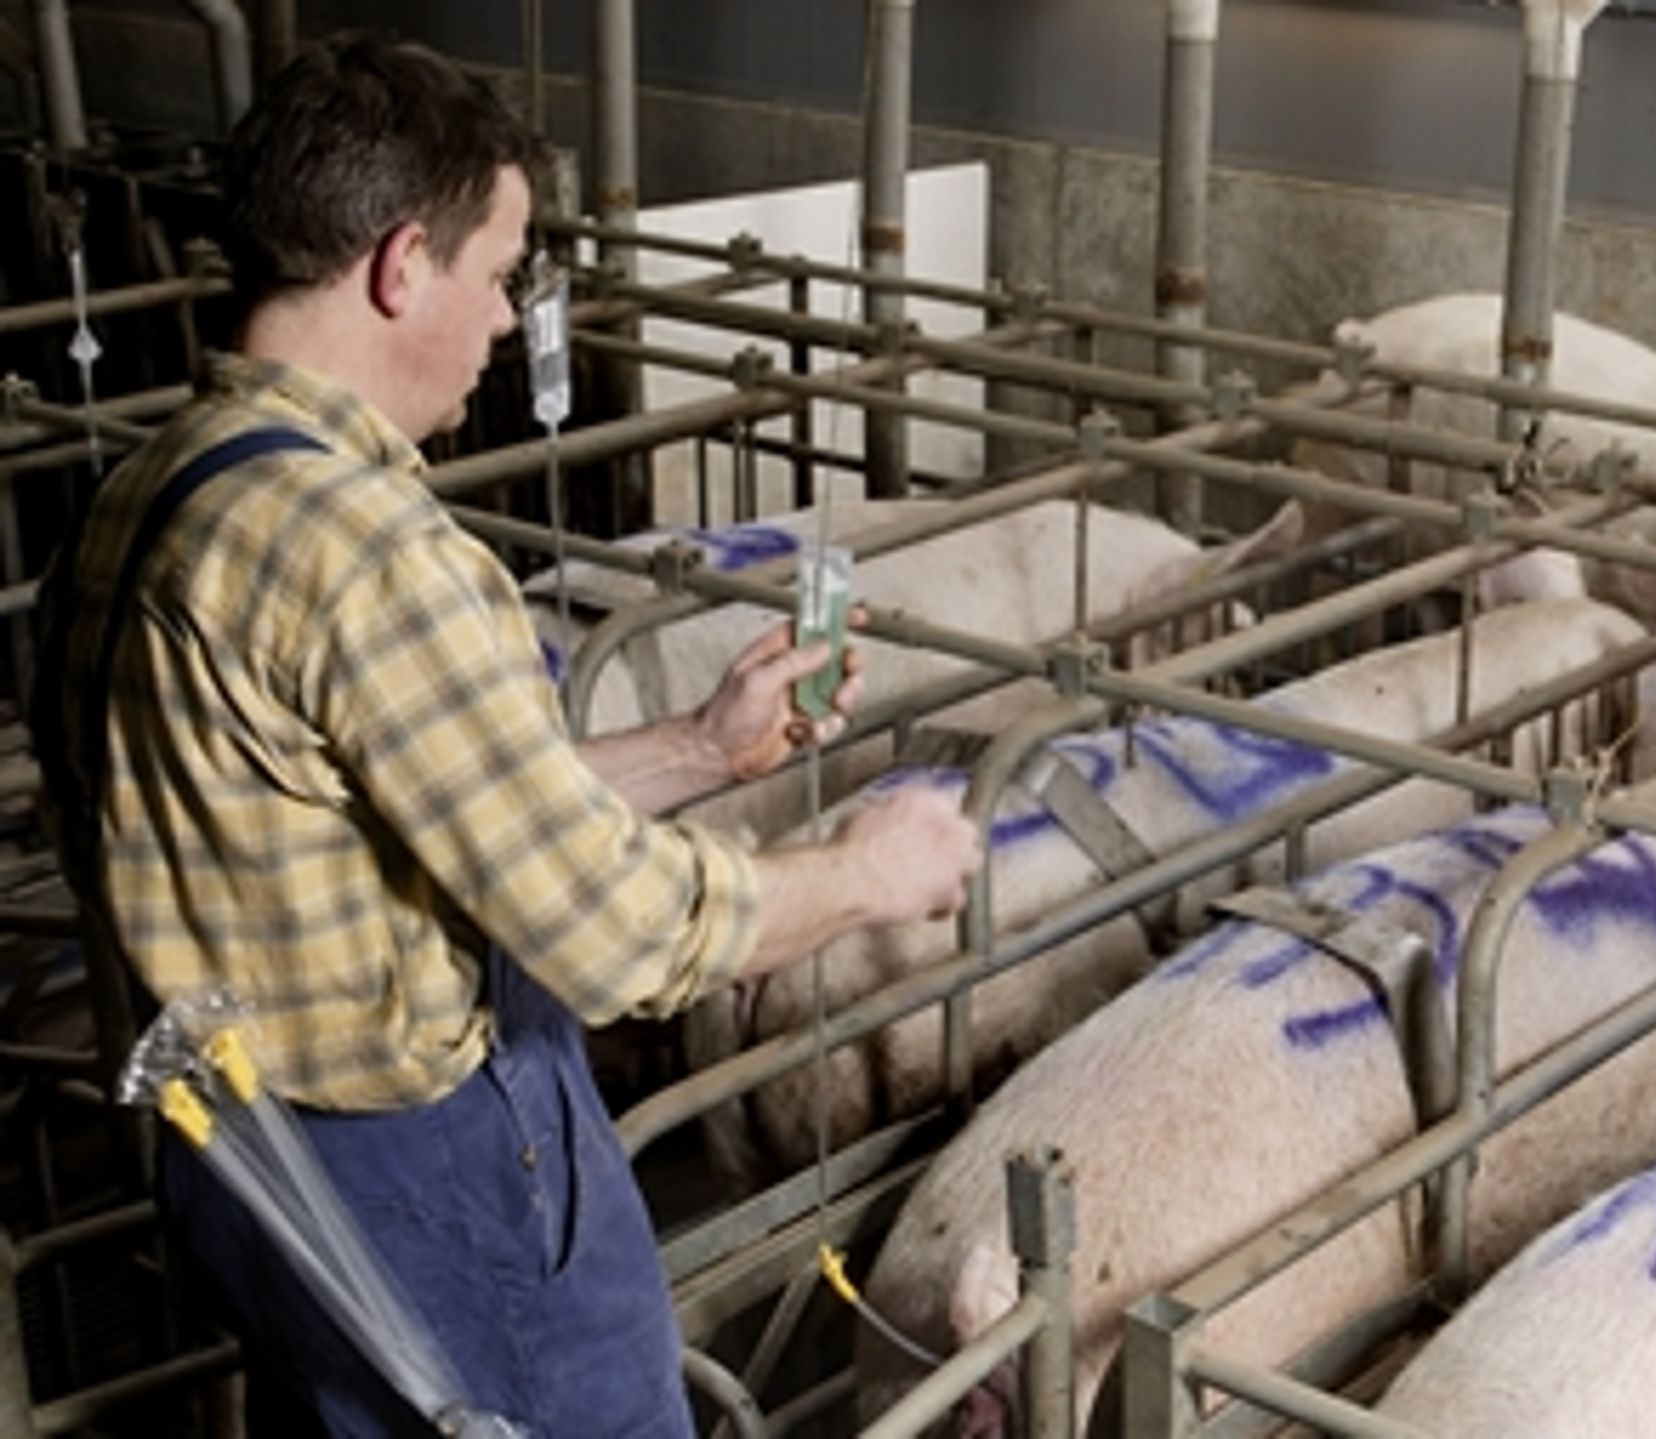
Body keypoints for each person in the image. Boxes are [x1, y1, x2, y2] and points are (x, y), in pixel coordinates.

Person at [30, 33, 982, 1438]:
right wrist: (866, 871)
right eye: (500, 273)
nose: (505, 320)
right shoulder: (366, 550)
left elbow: (389, 812)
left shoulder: (144, 499)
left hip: (245, 1163)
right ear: (401, 263)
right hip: (427, 1184)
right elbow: (614, 933)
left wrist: (700, 750)